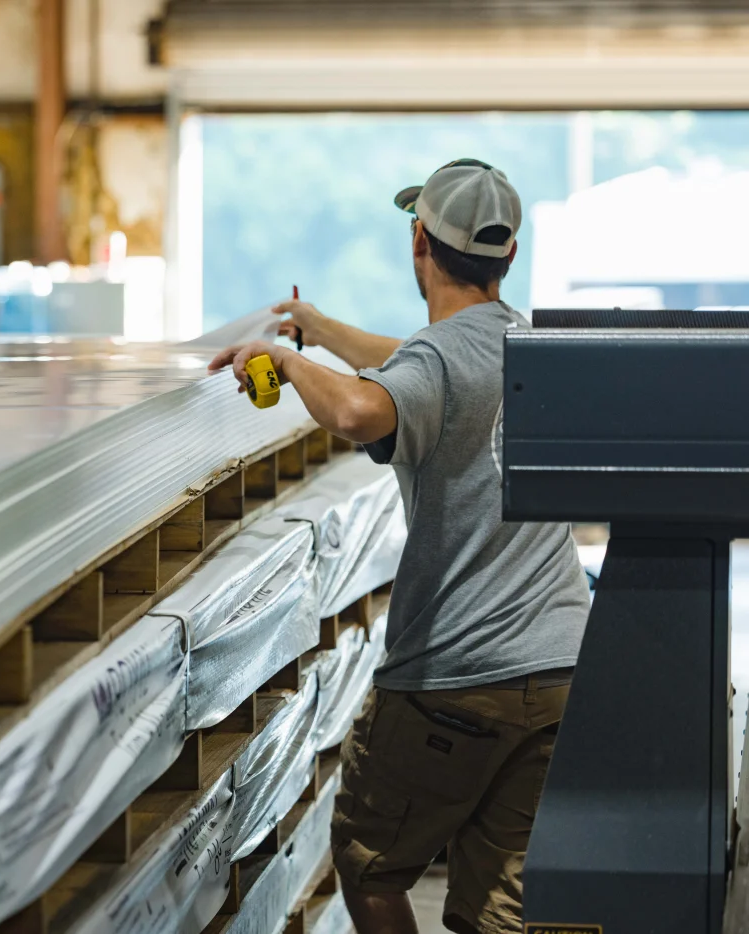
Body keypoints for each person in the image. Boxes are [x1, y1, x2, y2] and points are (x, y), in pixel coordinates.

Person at [208, 159, 590, 934]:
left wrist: (289, 362)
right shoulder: (526, 341)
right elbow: (412, 360)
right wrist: (319, 329)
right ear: (509, 253)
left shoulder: (436, 363)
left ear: (419, 240)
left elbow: (361, 409)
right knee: (499, 904)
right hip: (561, 669)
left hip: (458, 677)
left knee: (368, 861)